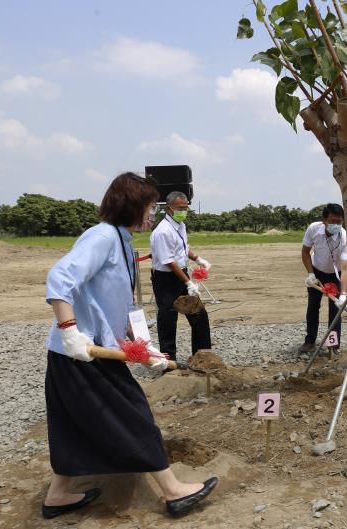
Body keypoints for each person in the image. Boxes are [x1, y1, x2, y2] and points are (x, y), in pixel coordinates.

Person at [43, 173, 217, 519]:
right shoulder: (102, 236)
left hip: (92, 352)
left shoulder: (123, 240)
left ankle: (57, 496)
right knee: (135, 415)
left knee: (74, 424)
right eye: (151, 206)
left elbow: (117, 306)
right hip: (80, 354)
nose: (154, 213)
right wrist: (70, 331)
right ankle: (172, 490)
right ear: (132, 205)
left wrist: (144, 347)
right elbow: (60, 278)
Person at [150, 191, 212, 362]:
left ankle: (203, 357)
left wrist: (198, 259)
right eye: (180, 208)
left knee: (199, 315)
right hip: (166, 280)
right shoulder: (162, 231)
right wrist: (189, 283)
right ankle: (170, 363)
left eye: (186, 207)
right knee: (168, 321)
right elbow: (170, 261)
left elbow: (182, 250)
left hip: (181, 274)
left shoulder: (180, 225)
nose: (184, 211)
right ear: (169, 208)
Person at [298, 203, 347, 353]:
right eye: (332, 221)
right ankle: (310, 341)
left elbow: (346, 267)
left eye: (339, 222)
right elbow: (305, 251)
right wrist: (310, 273)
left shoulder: (344, 237)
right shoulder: (313, 229)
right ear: (324, 220)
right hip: (317, 271)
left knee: (335, 310)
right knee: (313, 307)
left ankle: (332, 345)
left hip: (336, 274)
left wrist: (344, 293)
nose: (336, 225)